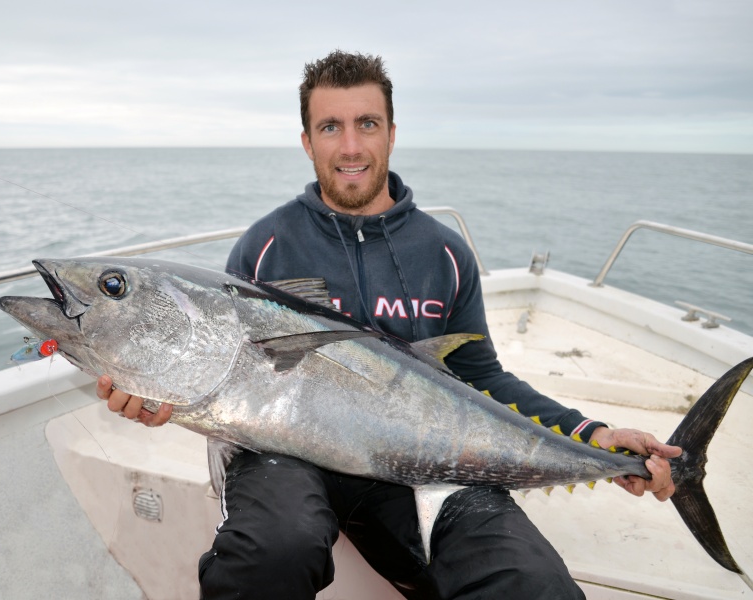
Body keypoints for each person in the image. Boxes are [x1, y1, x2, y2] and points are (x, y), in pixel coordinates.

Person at [97, 50, 681, 599]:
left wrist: (594, 436)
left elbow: (484, 379)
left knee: (532, 582)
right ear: (306, 141)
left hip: (419, 464)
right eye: (330, 127)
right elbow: (219, 369)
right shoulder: (266, 246)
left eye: (367, 124)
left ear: (392, 133)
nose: (350, 146)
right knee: (268, 555)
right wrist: (156, 391)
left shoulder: (444, 254)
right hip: (285, 459)